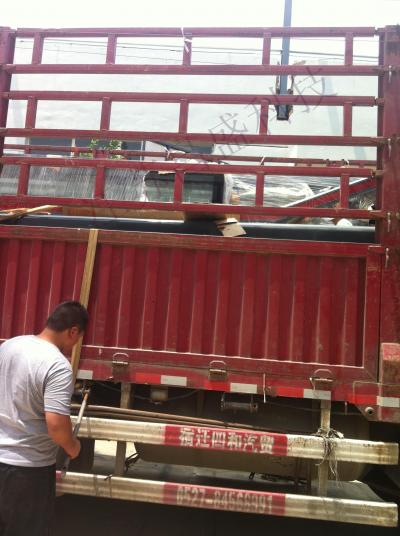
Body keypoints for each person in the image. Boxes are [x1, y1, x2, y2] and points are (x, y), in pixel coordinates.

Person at [0, 301, 89, 536]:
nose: (74, 345)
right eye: (78, 339)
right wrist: (74, 448)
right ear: (72, 331)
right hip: (27, 473)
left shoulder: (9, 346)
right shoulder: (57, 365)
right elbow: (57, 426)